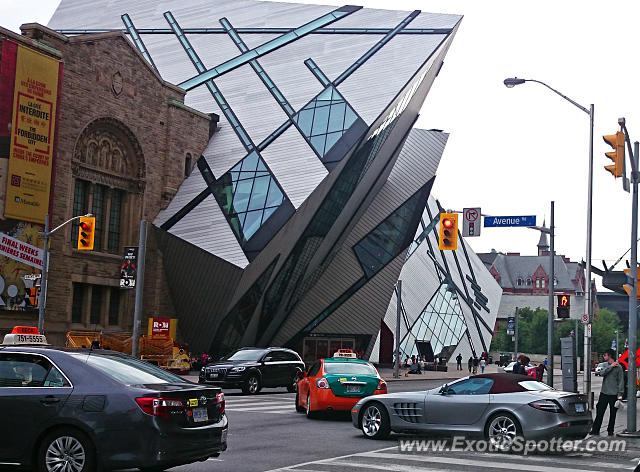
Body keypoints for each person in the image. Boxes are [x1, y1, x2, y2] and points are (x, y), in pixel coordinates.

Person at [590, 349, 624, 436]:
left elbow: (621, 381)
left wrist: (620, 393)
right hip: (604, 392)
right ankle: (595, 430)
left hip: (614, 394)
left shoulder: (619, 367)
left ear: (610, 356)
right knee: (600, 412)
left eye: (605, 355)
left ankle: (610, 430)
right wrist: (611, 366)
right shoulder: (605, 365)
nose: (604, 357)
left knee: (613, 413)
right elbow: (601, 373)